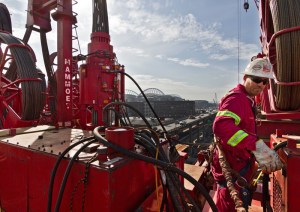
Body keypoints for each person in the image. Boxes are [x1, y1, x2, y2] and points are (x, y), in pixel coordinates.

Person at [211, 57, 283, 211]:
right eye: (257, 79)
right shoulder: (237, 99)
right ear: (245, 78)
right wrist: (256, 146)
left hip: (239, 165)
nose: (261, 85)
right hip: (233, 171)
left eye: (265, 82)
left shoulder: (247, 99)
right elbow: (221, 126)